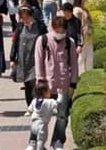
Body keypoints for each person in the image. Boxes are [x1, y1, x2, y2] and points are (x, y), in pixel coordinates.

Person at [34, 16, 79, 150]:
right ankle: (39, 142)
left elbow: (74, 65)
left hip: (63, 84)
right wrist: (41, 82)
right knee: (42, 117)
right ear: (53, 28)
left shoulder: (69, 42)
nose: (60, 33)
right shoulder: (43, 40)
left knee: (62, 116)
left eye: (63, 30)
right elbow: (38, 62)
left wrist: (73, 84)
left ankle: (57, 140)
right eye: (58, 30)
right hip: (46, 84)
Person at [10, 6, 47, 106]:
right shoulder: (20, 26)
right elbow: (15, 42)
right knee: (27, 84)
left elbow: (46, 41)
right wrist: (12, 58)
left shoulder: (40, 26)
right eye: (22, 18)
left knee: (34, 82)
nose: (24, 20)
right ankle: (29, 105)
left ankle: (36, 105)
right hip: (23, 58)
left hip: (36, 58)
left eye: (26, 17)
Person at [26, 82, 58, 150]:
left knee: (33, 142)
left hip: (33, 124)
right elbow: (57, 104)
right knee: (41, 141)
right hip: (42, 126)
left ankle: (31, 148)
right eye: (49, 91)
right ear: (44, 92)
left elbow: (29, 109)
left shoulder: (34, 100)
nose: (50, 92)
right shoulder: (49, 102)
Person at [73, 5, 93, 74]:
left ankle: (89, 73)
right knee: (82, 57)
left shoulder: (84, 8)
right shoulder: (77, 9)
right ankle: (80, 74)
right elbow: (77, 23)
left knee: (89, 56)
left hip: (88, 35)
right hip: (83, 36)